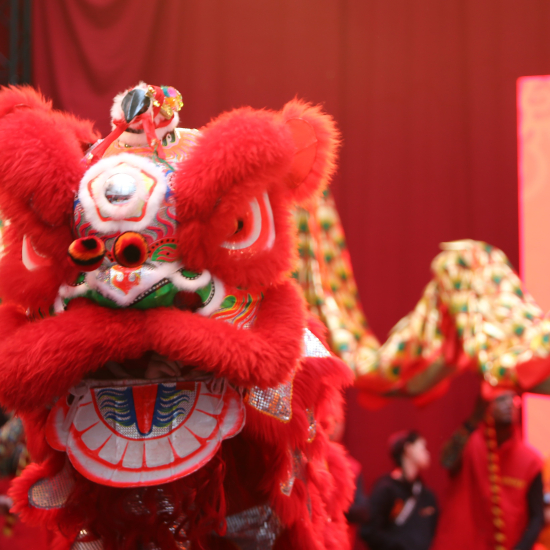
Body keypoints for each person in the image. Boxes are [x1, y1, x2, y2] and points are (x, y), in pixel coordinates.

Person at [433, 390, 544, 550]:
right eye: (501, 399)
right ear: (488, 405)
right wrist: (474, 418)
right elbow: (447, 461)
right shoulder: (470, 444)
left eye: (513, 400)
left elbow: (537, 516)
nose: (508, 404)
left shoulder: (530, 460)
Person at [360, 430, 438, 550]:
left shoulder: (426, 495)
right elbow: (369, 530)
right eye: (423, 448)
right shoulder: (386, 489)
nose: (427, 453)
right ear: (408, 449)